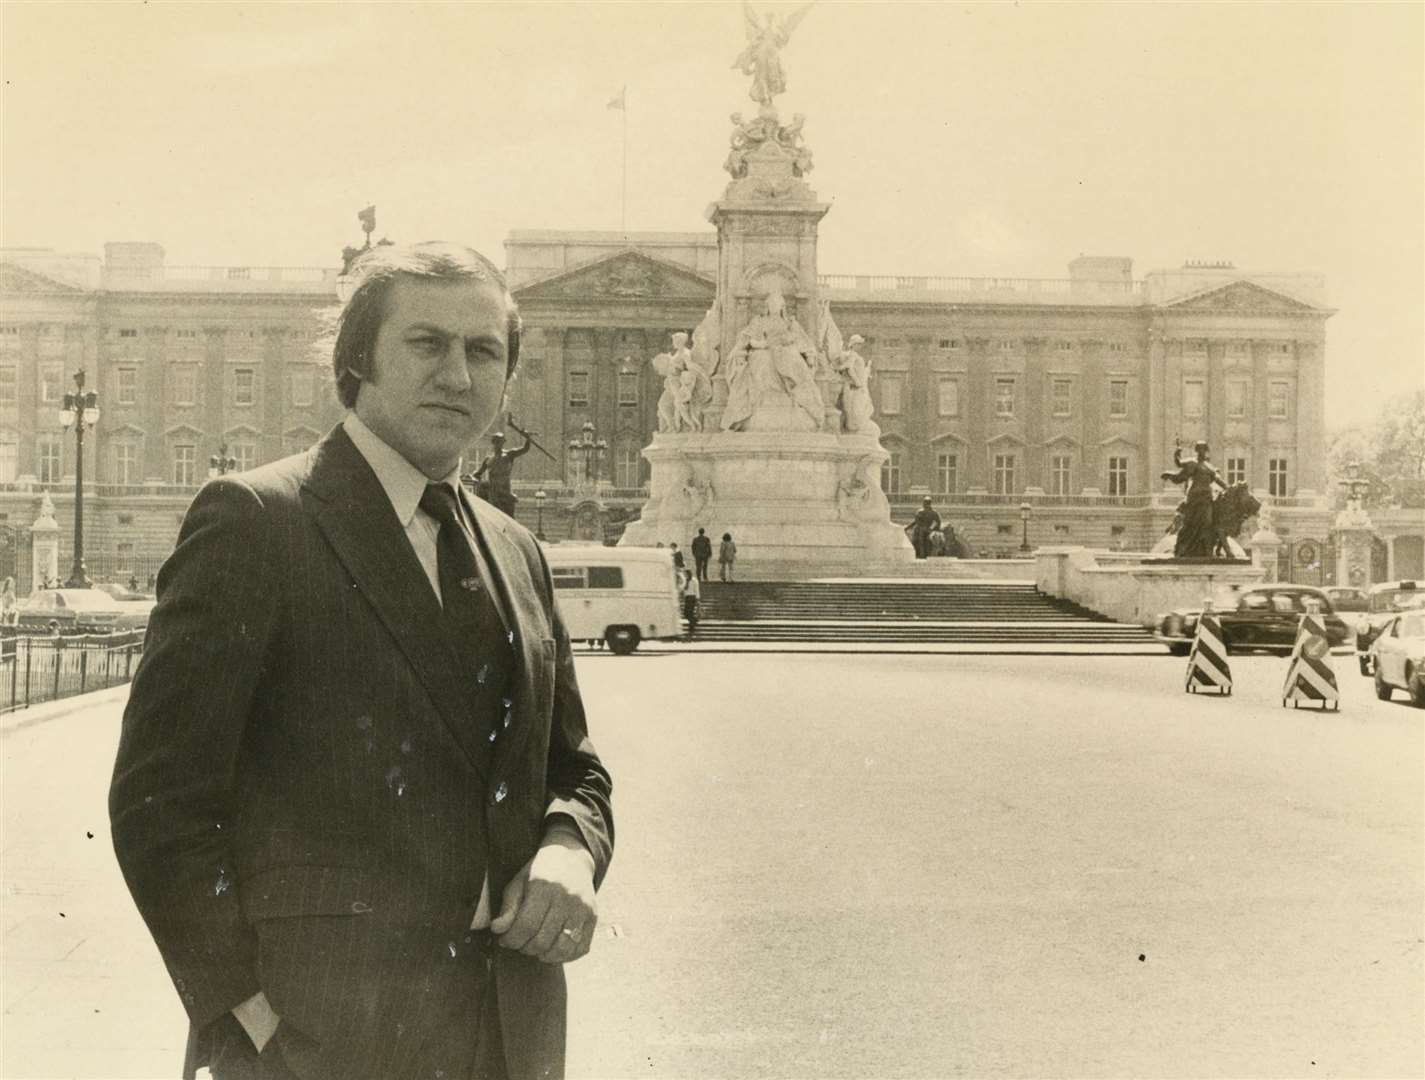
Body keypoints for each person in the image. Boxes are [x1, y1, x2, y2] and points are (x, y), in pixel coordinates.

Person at [108, 242, 614, 1080]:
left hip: (508, 1033)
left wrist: (569, 846)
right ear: (357, 359)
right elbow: (160, 799)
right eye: (426, 343)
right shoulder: (258, 519)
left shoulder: (516, 549)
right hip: (318, 1038)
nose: (457, 374)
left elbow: (576, 768)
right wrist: (250, 1016)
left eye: (483, 351)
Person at [1161, 440, 1227, 558]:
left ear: (1206, 451)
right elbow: (1179, 464)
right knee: (1189, 524)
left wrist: (1229, 488)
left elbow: (1218, 480)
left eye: (1204, 449)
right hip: (1194, 499)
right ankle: (1182, 547)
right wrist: (1176, 454)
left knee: (1208, 522)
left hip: (1207, 499)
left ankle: (1206, 549)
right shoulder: (1192, 463)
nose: (1202, 451)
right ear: (1196, 450)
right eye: (1199, 449)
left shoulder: (1209, 466)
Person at [471, 428, 532, 518]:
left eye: (500, 442)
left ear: (503, 443)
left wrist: (528, 438)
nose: (498, 444)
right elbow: (478, 473)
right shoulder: (488, 459)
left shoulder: (509, 454)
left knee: (508, 518)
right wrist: (470, 476)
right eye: (496, 441)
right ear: (493, 443)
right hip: (493, 493)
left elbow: (525, 449)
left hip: (505, 491)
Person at [680, 568, 701, 641]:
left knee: (690, 612)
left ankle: (691, 627)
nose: (686, 575)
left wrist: (698, 599)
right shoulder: (685, 580)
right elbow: (682, 588)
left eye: (687, 574)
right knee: (686, 613)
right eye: (685, 574)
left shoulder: (694, 580)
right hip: (687, 598)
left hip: (692, 597)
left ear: (689, 573)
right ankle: (694, 621)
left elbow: (697, 590)